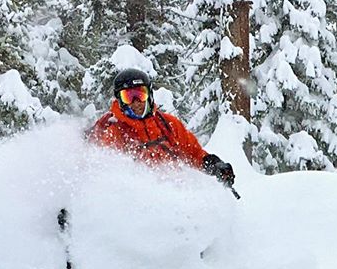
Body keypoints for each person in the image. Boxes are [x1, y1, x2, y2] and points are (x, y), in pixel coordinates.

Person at [87, 67, 235, 186]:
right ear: (120, 100)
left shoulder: (168, 124)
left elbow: (193, 153)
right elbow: (102, 173)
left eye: (141, 95)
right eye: (129, 97)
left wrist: (215, 166)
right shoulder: (115, 131)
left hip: (174, 196)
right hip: (137, 202)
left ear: (150, 95)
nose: (136, 102)